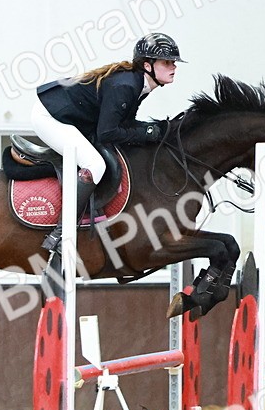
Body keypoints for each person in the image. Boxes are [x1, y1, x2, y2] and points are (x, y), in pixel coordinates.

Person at [31, 32, 184, 251]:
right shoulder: (126, 86)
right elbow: (108, 133)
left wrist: (154, 129)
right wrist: (148, 133)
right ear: (148, 66)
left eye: (174, 63)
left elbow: (126, 124)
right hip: (50, 117)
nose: (173, 67)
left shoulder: (139, 84)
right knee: (95, 165)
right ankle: (61, 231)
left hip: (72, 117)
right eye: (167, 62)